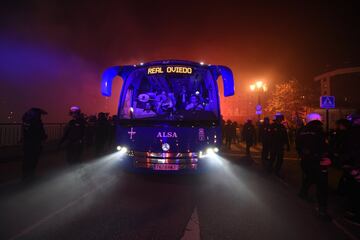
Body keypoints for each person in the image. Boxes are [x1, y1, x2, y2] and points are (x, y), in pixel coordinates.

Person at [296, 113, 331, 221]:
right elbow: (324, 146)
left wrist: (304, 155)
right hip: (319, 162)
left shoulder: (301, 130)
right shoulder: (318, 130)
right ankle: (322, 210)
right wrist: (328, 158)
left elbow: (298, 145)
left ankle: (303, 192)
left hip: (306, 161)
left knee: (310, 177)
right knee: (322, 186)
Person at [342, 111, 360, 225]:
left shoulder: (354, 133)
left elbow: (353, 151)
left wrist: (355, 168)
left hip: (356, 166)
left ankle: (357, 216)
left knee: (356, 190)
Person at [21, 108, 47, 181]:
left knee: (26, 160)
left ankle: (25, 177)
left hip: (27, 144)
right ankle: (30, 177)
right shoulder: (36, 122)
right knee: (33, 161)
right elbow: (40, 133)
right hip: (34, 144)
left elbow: (25, 132)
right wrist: (44, 136)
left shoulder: (26, 121)